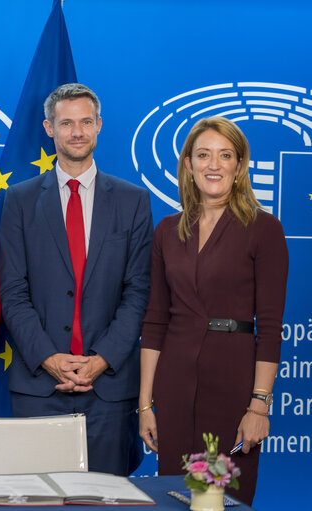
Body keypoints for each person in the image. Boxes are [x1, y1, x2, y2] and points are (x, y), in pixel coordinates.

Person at [0, 83, 153, 476]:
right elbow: (13, 292)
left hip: (109, 389)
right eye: (66, 123)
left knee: (106, 501)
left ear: (99, 125)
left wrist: (101, 360)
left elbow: (138, 291)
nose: (77, 132)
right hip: (38, 386)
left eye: (86, 122)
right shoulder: (19, 199)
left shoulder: (133, 200)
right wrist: (49, 358)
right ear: (49, 128)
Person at [138, 117, 288, 504]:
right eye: (203, 155)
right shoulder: (168, 230)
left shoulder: (264, 228)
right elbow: (155, 321)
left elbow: (270, 328)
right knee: (173, 495)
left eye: (225, 155)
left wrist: (259, 405)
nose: (214, 164)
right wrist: (145, 405)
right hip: (174, 383)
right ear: (188, 164)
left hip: (233, 385)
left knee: (220, 499)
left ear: (239, 167)